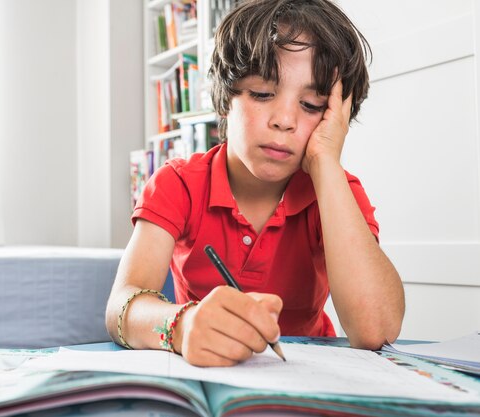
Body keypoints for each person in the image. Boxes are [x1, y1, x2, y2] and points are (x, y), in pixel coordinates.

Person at [105, 0, 405, 367]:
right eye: (262, 94)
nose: (284, 120)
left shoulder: (336, 191)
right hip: (209, 367)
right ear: (225, 97)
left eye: (311, 104)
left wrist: (326, 163)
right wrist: (181, 325)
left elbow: (377, 330)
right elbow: (122, 305)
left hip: (309, 374)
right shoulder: (178, 183)